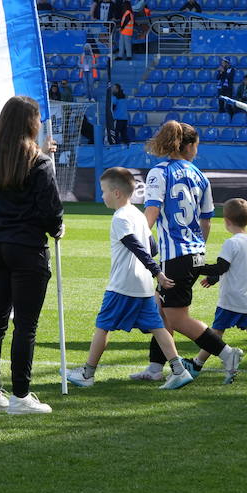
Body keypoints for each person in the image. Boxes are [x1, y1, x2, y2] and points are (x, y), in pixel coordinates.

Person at [64, 167, 196, 391]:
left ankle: (87, 374)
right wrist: (153, 272)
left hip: (123, 285)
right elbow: (151, 247)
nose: (102, 195)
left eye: (104, 190)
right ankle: (179, 370)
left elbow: (137, 247)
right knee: (158, 327)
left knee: (102, 327)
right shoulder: (137, 214)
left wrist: (157, 272)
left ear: (116, 193)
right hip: (142, 286)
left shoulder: (120, 217)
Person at [133, 120, 244, 381]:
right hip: (195, 253)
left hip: (174, 256)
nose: (197, 150)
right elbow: (206, 221)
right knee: (161, 311)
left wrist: (138, 239)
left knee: (176, 317)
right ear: (189, 145)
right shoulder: (200, 176)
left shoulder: (159, 173)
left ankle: (227, 353)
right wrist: (198, 250)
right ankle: (154, 369)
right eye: (197, 145)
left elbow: (152, 211)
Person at [0, 96, 63, 414]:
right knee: (25, 325)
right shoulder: (39, 161)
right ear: (31, 123)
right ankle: (21, 396)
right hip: (27, 248)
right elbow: (50, 210)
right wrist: (58, 227)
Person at [187, 197, 247, 382]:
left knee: (215, 333)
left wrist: (195, 267)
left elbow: (221, 267)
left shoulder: (231, 243)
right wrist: (213, 278)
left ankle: (196, 365)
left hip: (230, 299)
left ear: (226, 221)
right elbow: (233, 267)